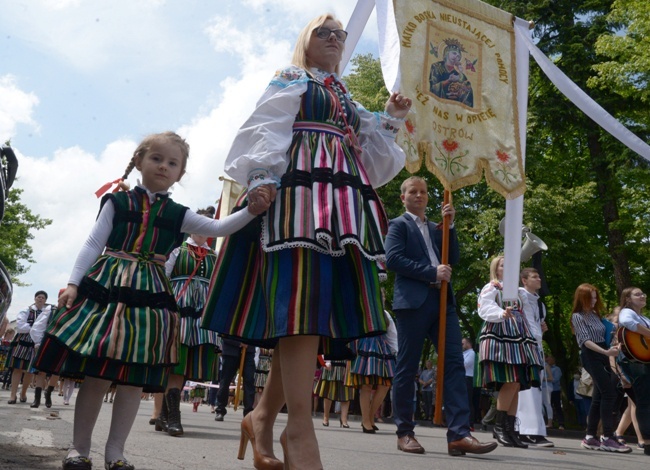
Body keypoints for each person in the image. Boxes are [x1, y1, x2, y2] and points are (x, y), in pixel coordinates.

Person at [200, 13, 410, 470]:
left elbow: (373, 164)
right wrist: (260, 177)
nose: (335, 38)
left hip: (337, 206)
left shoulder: (345, 96)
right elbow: (265, 126)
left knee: (309, 313)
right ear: (305, 42)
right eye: (324, 32)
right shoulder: (293, 77)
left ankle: (261, 418)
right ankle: (299, 427)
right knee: (301, 305)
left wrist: (391, 118)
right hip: (295, 198)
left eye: (340, 34)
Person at [32, 131, 274, 470]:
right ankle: (78, 449)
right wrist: (73, 283)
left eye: (172, 163)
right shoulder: (117, 203)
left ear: (180, 173)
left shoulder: (179, 214)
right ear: (139, 161)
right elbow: (92, 244)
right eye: (156, 158)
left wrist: (251, 209)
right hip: (108, 288)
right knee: (96, 375)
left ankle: (116, 453)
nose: (163, 166)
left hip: (151, 298)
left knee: (133, 379)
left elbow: (219, 228)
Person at [385, 175, 497, 456]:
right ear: (404, 197)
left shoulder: (437, 227)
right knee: (407, 367)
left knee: (454, 365)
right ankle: (405, 432)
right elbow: (394, 259)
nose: (420, 195)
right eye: (413, 191)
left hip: (443, 300)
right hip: (412, 303)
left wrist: (451, 226)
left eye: (423, 191)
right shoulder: (398, 225)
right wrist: (430, 272)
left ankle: (459, 434)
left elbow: (454, 257)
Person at [156, 206, 223, 437]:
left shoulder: (215, 256)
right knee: (178, 358)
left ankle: (166, 413)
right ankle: (173, 416)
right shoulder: (178, 251)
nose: (203, 230)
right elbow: (163, 277)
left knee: (190, 363)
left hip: (202, 315)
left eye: (208, 226)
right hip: (179, 310)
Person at [476, 256, 544, 449]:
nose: (509, 267)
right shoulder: (492, 287)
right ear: (496, 270)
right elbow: (484, 309)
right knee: (510, 380)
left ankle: (510, 429)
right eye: (504, 265)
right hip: (500, 337)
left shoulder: (519, 293)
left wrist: (535, 337)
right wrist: (500, 313)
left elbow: (527, 315)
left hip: (519, 338)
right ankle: (499, 427)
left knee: (517, 384)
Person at [570, 283, 631, 453]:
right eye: (591, 297)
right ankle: (607, 437)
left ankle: (590, 436)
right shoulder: (578, 316)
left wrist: (613, 347)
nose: (594, 300)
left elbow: (605, 335)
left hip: (603, 353)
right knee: (609, 392)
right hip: (591, 354)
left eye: (596, 296)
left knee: (599, 396)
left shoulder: (596, 316)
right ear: (582, 297)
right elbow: (585, 340)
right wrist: (605, 351)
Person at [515, 268, 554, 447]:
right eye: (534, 277)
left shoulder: (540, 304)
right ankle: (530, 432)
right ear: (524, 280)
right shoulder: (519, 296)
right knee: (529, 390)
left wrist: (541, 329)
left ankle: (523, 429)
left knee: (534, 389)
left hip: (535, 347)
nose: (539, 279)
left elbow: (535, 324)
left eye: (539, 276)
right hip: (523, 346)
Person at [345, 308, 396, 434]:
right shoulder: (359, 308)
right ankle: (366, 421)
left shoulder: (385, 314)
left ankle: (369, 417)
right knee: (366, 385)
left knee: (385, 385)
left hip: (381, 348)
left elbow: (392, 334)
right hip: (363, 345)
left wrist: (396, 353)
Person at [616, 286, 650, 456]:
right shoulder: (626, 312)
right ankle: (647, 442)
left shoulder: (645, 318)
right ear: (628, 299)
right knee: (644, 400)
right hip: (635, 360)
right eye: (638, 294)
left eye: (643, 293)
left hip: (645, 360)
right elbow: (629, 324)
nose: (643, 295)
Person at [5, 291, 51, 404]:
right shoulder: (27, 310)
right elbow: (20, 326)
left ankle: (23, 393)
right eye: (38, 297)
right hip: (23, 341)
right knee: (17, 369)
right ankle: (12, 395)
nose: (40, 299)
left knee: (30, 371)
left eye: (43, 298)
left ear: (45, 301)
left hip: (36, 343)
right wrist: (35, 329)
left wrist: (36, 330)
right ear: (35, 298)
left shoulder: (46, 313)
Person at [214, 339, 256, 421]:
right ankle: (220, 410)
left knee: (249, 381)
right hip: (231, 350)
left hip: (248, 350)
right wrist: (238, 343)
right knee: (225, 381)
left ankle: (248, 413)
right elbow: (223, 333)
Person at [428, 38, 474, 107]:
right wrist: (448, 81)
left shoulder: (458, 75)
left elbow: (467, 93)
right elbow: (432, 88)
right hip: (438, 105)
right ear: (447, 53)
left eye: (458, 56)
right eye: (454, 53)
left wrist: (460, 76)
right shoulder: (437, 66)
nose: (456, 57)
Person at [461, 337, 478, 428]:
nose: (462, 345)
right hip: (463, 378)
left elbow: (465, 364)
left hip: (468, 378)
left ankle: (470, 423)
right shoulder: (464, 353)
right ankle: (464, 422)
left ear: (468, 343)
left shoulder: (471, 353)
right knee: (463, 401)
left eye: (463, 343)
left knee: (468, 401)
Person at [546, 356, 565, 429]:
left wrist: (545, 379)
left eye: (549, 359)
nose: (548, 360)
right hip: (547, 390)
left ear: (554, 360)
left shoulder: (556, 369)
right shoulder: (546, 368)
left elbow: (555, 379)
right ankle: (550, 422)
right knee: (548, 406)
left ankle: (561, 424)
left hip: (555, 390)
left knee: (557, 407)